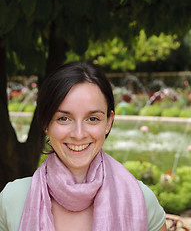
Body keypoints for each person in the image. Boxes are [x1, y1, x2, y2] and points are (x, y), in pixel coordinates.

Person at [0, 62, 167, 231]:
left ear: (108, 122)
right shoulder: (12, 201)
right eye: (63, 118)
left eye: (93, 118)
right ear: (45, 123)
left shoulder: (141, 200)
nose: (78, 134)